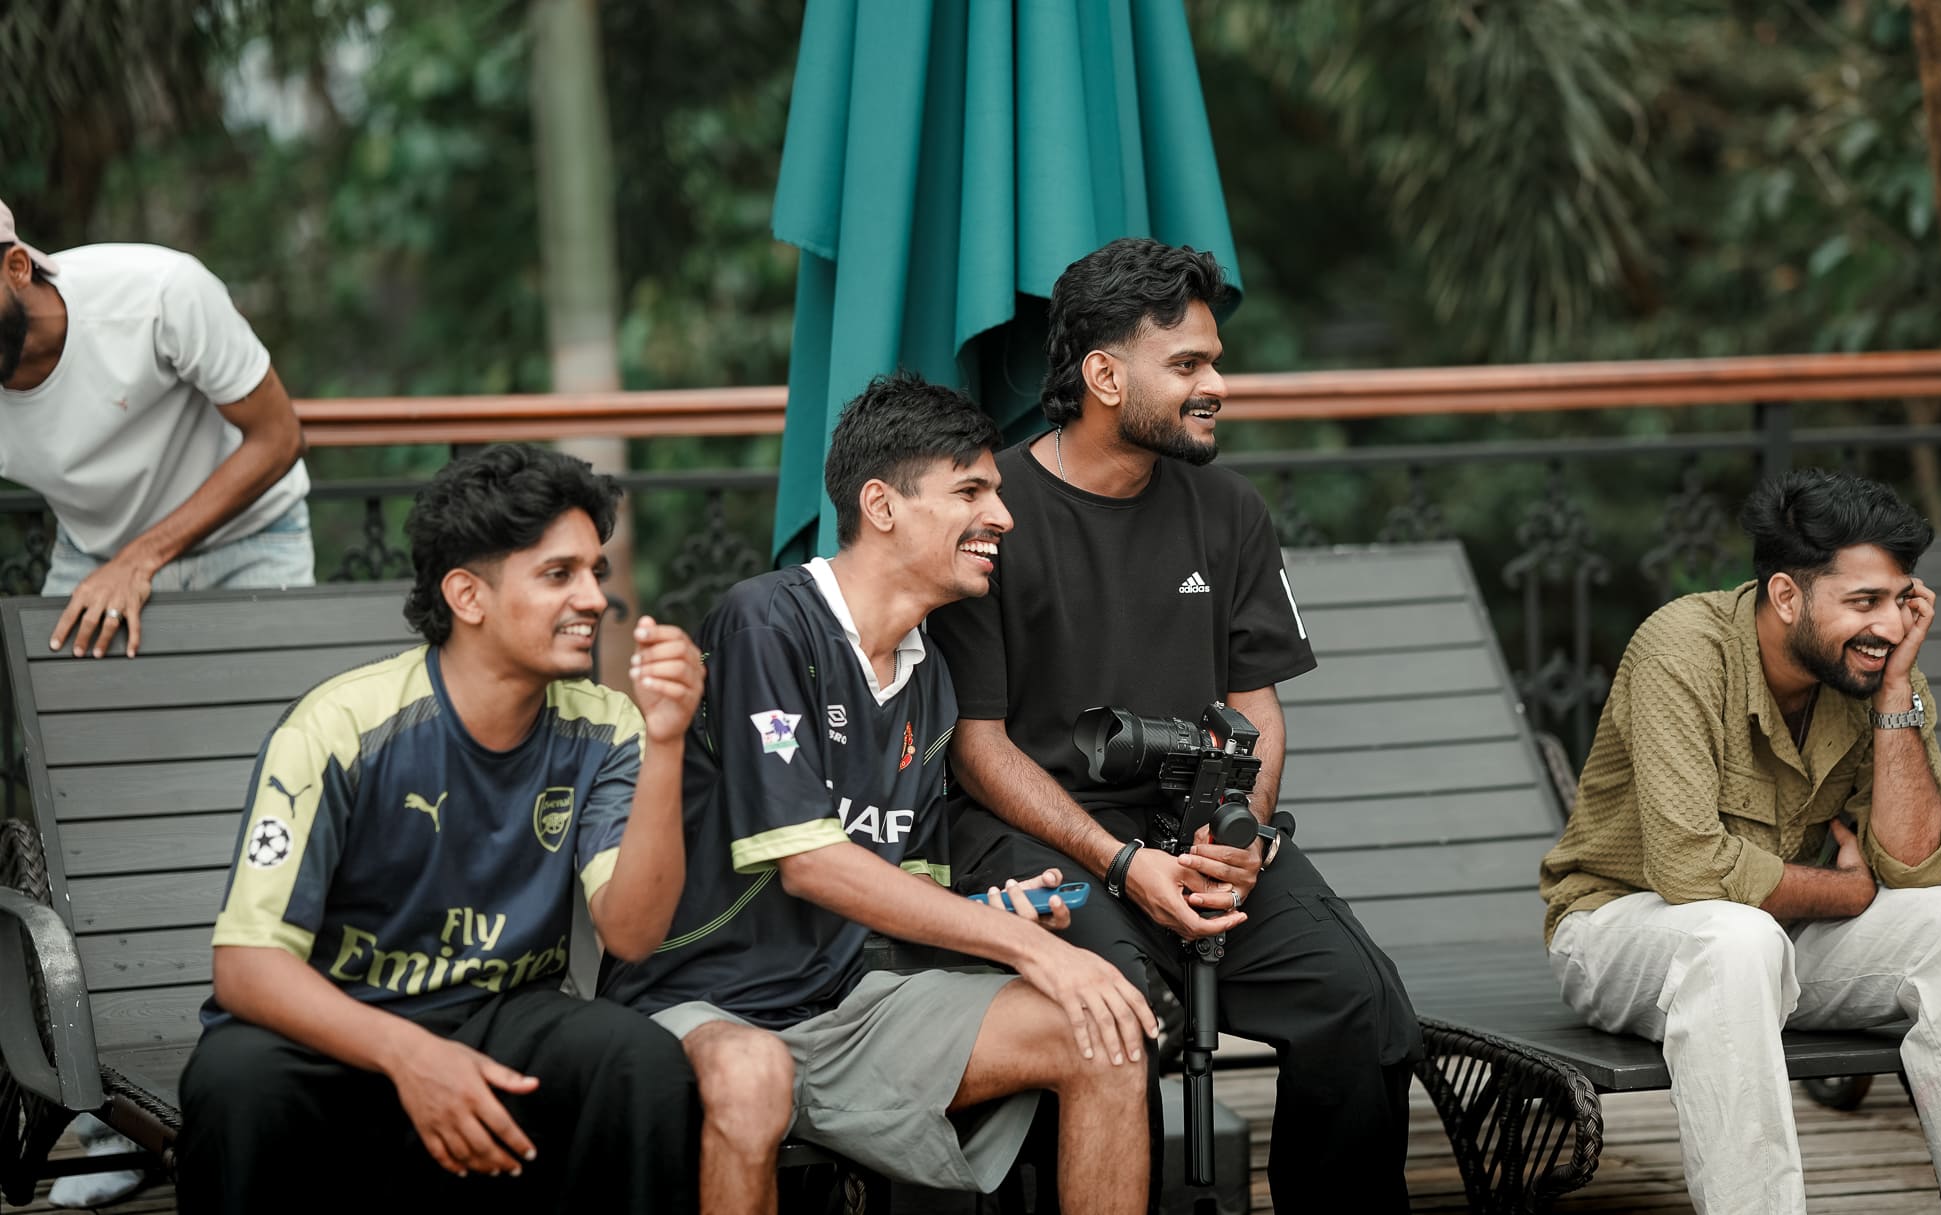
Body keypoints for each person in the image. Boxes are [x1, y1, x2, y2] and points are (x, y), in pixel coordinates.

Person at [926, 238, 1422, 1212]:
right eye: (1188, 364)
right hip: (1044, 835)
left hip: (1200, 827)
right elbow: (978, 747)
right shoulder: (993, 514)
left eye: (1215, 362)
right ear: (1105, 376)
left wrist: (1241, 838)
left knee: (1360, 1004)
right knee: (1117, 1020)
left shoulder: (1229, 509)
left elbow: (1257, 707)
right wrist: (1120, 863)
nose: (1216, 386)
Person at [600, 371, 1156, 1215]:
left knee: (1104, 1035)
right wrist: (1029, 948)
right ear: (881, 505)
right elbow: (812, 863)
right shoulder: (766, 622)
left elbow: (904, 894)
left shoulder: (931, 678)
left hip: (846, 1009)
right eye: (970, 491)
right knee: (754, 1077)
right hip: (700, 1007)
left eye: (997, 492)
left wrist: (994, 913)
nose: (1002, 516)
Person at [175, 444, 704, 1215]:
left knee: (640, 1062)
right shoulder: (339, 728)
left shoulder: (608, 728)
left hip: (501, 1019)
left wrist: (668, 741)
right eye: (559, 573)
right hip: (341, 1031)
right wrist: (413, 1055)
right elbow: (247, 967)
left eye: (596, 571)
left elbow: (632, 931)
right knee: (235, 1081)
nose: (595, 597)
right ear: (467, 595)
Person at [1537, 469, 1941, 1213]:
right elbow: (1688, 867)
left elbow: (1914, 865)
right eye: (1864, 602)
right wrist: (1846, 890)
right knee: (1735, 938)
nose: (1891, 627)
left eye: (1902, 600)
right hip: (1623, 930)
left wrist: (1896, 695)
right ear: (1785, 595)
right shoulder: (1683, 649)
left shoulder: (1879, 673)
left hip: (1783, 937)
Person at [0, 199, 312, 667]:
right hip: (95, 556)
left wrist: (138, 560)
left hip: (251, 539)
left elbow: (279, 438)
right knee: (59, 712)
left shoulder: (160, 293)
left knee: (276, 711)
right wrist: (123, 562)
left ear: (17, 268)